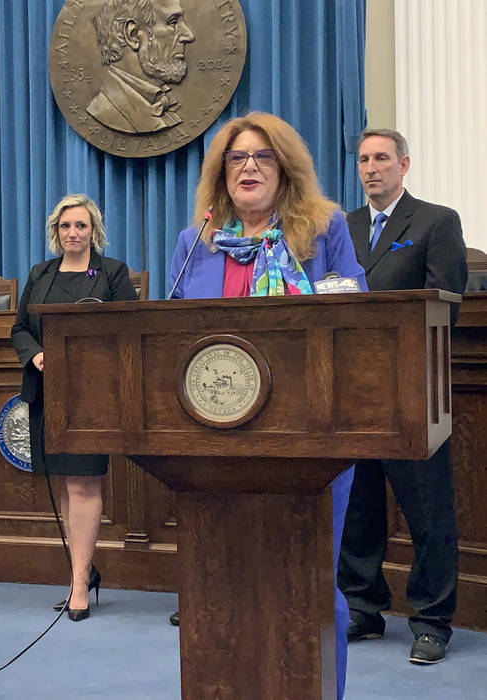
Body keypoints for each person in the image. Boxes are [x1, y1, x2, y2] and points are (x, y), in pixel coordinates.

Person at [168, 112, 366, 699]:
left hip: (312, 433)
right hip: (214, 441)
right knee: (220, 578)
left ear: (285, 168)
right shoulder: (193, 242)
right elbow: (175, 335)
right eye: (236, 158)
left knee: (306, 575)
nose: (248, 167)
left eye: (262, 157)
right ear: (220, 173)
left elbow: (356, 306)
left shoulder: (324, 228)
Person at [339, 128, 466, 665]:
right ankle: (363, 610)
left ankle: (432, 621)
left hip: (412, 390)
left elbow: (448, 305)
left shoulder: (437, 221)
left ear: (404, 164)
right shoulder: (342, 227)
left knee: (427, 511)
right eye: (364, 159)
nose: (372, 168)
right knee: (357, 508)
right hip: (349, 391)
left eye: (382, 159)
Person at [11, 194, 139, 622]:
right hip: (47, 392)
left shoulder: (112, 273)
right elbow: (19, 328)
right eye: (66, 227)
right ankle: (82, 570)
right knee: (65, 485)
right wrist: (35, 355)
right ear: (56, 231)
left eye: (81, 226)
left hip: (91, 395)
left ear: (93, 231)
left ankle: (80, 584)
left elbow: (130, 328)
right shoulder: (40, 273)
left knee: (84, 484)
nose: (73, 234)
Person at [86, 0, 195, 134]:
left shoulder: (164, 105)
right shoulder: (104, 110)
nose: (189, 36)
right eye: (173, 22)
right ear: (133, 35)